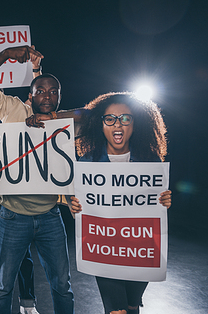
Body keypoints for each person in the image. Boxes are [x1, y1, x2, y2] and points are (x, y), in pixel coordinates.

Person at [0, 45, 74, 314]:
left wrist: (55, 118)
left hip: (51, 216)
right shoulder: (14, 111)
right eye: (40, 91)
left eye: (53, 91)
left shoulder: (64, 122)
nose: (47, 96)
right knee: (2, 287)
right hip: (13, 216)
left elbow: (89, 114)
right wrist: (5, 55)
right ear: (31, 95)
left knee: (62, 285)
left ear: (60, 96)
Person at [69, 92, 172, 314]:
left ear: (136, 124)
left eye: (126, 118)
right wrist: (74, 207)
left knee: (131, 306)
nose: (118, 124)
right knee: (117, 311)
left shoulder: (150, 159)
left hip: (139, 250)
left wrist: (165, 200)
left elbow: (154, 207)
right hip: (104, 249)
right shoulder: (88, 161)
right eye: (110, 119)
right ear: (101, 124)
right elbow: (82, 210)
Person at [0, 104, 40, 314]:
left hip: (14, 198)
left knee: (23, 255)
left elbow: (35, 106)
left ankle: (27, 302)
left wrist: (35, 69)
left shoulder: (15, 118)